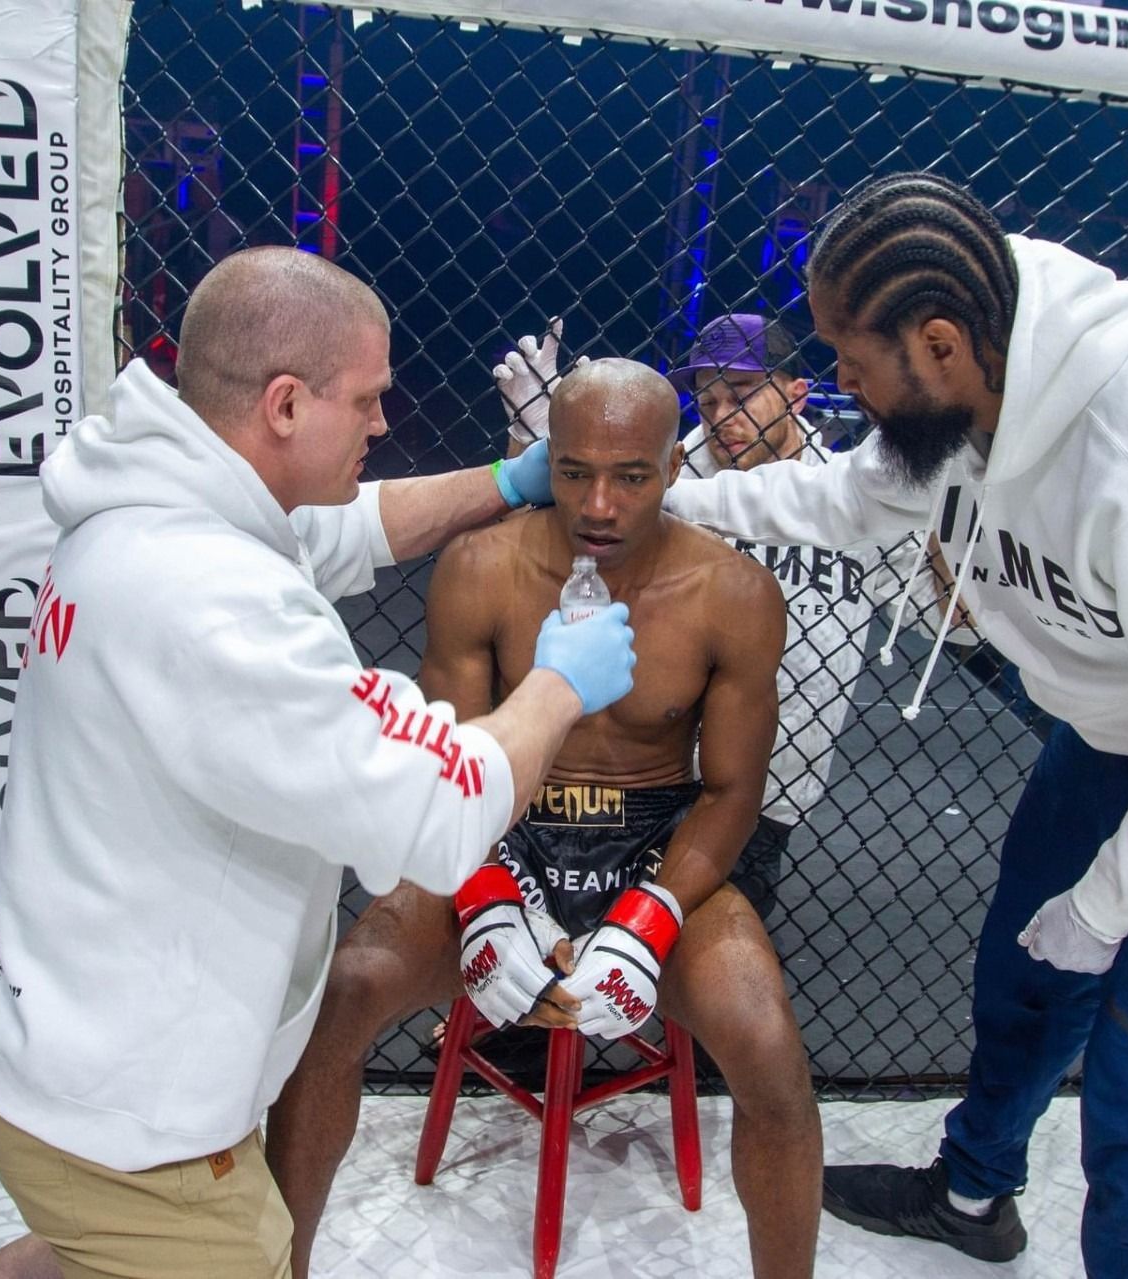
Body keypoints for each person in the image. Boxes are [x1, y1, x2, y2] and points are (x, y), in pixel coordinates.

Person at [662, 172, 1128, 1277]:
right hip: (1120, 713)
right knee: (1025, 964)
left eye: (851, 361)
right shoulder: (966, 378)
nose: (839, 384)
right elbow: (848, 501)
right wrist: (665, 499)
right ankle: (972, 1196)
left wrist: (1109, 904)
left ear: (937, 343)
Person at [0, 247, 637, 1279]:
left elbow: (342, 531)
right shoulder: (213, 600)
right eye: (366, 400)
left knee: (74, 1251)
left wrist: (507, 480)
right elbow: (439, 805)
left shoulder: (157, 500)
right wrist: (557, 683)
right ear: (284, 404)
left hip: (61, 1048)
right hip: (136, 1117)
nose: (381, 423)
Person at [266, 359, 823, 1279]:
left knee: (768, 1046)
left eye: (631, 476)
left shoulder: (732, 594)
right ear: (545, 462)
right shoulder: (481, 568)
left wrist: (650, 919)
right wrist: (486, 895)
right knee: (346, 992)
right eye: (574, 472)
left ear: (672, 468)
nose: (599, 503)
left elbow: (731, 794)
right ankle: (278, 1268)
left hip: (654, 843)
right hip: (502, 827)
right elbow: (454, 757)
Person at [494, 311, 970, 925]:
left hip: (767, 783)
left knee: (693, 956)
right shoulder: (660, 467)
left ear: (796, 393)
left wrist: (947, 499)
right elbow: (521, 566)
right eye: (708, 398)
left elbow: (955, 621)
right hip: (637, 766)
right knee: (574, 951)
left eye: (742, 394)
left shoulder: (859, 497)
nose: (722, 416)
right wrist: (540, 448)